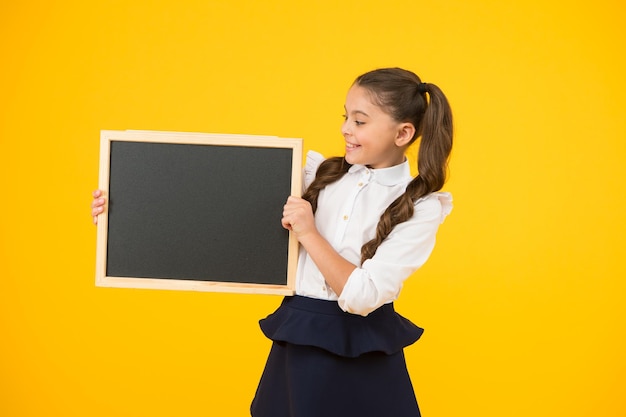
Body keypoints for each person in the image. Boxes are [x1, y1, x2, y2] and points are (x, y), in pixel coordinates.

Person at [91, 67, 453, 417]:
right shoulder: (317, 175)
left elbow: (363, 295)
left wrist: (309, 232)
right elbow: (213, 204)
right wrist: (124, 207)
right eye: (345, 117)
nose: (345, 129)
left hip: (362, 350)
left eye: (359, 121)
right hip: (300, 339)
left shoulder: (422, 207)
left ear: (402, 133)